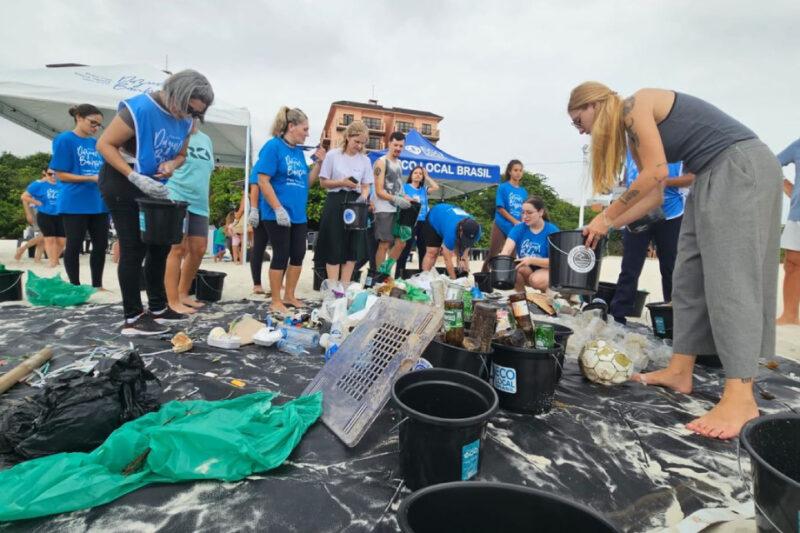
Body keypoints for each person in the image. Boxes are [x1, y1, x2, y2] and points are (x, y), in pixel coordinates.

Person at [569, 82, 782, 439]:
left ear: (593, 104)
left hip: (740, 166)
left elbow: (657, 173)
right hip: (709, 175)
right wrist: (606, 226)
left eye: (579, 120)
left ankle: (741, 395)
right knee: (688, 276)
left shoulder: (637, 104)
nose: (580, 130)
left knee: (731, 279)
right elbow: (653, 195)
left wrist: (606, 217)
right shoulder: (632, 135)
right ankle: (680, 369)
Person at [97, 69, 214, 336]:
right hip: (121, 179)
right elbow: (104, 144)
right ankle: (133, 316)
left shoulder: (186, 121)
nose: (189, 116)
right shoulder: (139, 108)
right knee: (133, 247)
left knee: (160, 245)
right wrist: (133, 175)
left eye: (196, 113)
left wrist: (172, 163)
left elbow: (182, 154)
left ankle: (159, 307)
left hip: (154, 185)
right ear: (176, 94)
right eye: (188, 108)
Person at [252, 107, 325, 314]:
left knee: (299, 254)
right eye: (305, 128)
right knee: (281, 254)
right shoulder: (273, 147)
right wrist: (277, 208)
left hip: (298, 214)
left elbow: (306, 183)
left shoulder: (298, 153)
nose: (307, 133)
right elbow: (262, 180)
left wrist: (318, 165)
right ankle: (275, 299)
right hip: (276, 213)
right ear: (291, 127)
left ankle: (289, 295)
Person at [608, 152, 694, 323]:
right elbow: (628, 180)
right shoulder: (631, 146)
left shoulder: (677, 145)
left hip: (671, 214)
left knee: (671, 267)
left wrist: (660, 181)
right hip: (637, 212)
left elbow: (692, 178)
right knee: (630, 266)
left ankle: (675, 318)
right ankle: (618, 315)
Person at [50, 104, 109, 288]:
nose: (96, 128)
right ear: (79, 118)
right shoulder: (65, 139)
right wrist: (90, 177)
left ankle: (97, 285)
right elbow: (60, 174)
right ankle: (74, 285)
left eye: (99, 125)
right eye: (93, 123)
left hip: (98, 202)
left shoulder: (95, 144)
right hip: (74, 201)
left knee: (101, 245)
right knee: (74, 244)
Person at [314, 120, 372, 287]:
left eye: (363, 143)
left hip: (356, 204)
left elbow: (366, 186)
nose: (359, 146)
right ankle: (333, 288)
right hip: (336, 201)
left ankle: (345, 288)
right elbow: (323, 183)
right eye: (357, 142)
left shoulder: (365, 161)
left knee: (352, 247)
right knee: (334, 244)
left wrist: (364, 198)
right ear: (348, 137)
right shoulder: (333, 155)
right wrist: (343, 182)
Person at [164, 122, 215, 314]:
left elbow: (206, 171)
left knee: (199, 248)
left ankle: (183, 293)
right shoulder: (174, 134)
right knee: (177, 248)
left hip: (200, 201)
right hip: (176, 193)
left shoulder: (206, 139)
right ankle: (172, 300)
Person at [372, 131, 414, 274]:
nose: (398, 148)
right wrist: (396, 199)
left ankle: (386, 271)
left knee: (401, 243)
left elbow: (398, 186)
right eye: (395, 145)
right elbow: (378, 190)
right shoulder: (381, 162)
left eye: (401, 146)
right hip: (383, 208)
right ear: (389, 143)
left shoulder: (400, 163)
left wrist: (405, 197)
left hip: (398, 209)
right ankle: (380, 276)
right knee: (384, 244)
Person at [499, 196, 559, 292]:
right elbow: (506, 251)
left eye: (529, 212)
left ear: (541, 212)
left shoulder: (552, 231)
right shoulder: (519, 228)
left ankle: (552, 297)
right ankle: (521, 301)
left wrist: (532, 260)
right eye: (523, 212)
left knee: (536, 280)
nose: (525, 216)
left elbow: (557, 261)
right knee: (515, 269)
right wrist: (500, 264)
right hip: (528, 269)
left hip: (547, 270)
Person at [482, 160, 527, 272]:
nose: (518, 173)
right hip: (501, 224)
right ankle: (483, 278)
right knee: (493, 253)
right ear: (510, 172)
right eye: (515, 170)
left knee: (511, 256)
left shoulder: (523, 192)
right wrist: (514, 221)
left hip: (515, 228)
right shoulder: (503, 187)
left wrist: (521, 223)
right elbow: (500, 208)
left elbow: (525, 211)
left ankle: (508, 281)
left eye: (520, 170)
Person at [395, 166, 439, 278]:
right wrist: (406, 197)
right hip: (409, 221)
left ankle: (422, 276)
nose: (418, 175)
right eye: (415, 173)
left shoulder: (424, 189)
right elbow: (398, 196)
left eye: (420, 173)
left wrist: (428, 176)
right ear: (411, 175)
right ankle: (399, 275)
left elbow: (436, 187)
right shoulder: (405, 187)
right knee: (406, 248)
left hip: (423, 222)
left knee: (423, 249)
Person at [421, 203, 482, 279]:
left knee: (463, 256)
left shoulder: (477, 231)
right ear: (460, 230)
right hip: (435, 216)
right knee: (433, 251)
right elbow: (447, 259)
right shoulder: (451, 232)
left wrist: (462, 259)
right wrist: (454, 280)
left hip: (448, 218)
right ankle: (424, 278)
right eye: (464, 238)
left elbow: (465, 250)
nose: (466, 241)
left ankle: (463, 277)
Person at [776, 138, 800, 325]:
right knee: (792, 264)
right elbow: (772, 163)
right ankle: (790, 316)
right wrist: (789, 188)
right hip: (797, 214)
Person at [21, 168, 65, 267]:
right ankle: (52, 261)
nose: (53, 176)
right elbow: (24, 196)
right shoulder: (38, 184)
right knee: (50, 239)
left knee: (62, 241)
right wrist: (36, 202)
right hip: (44, 215)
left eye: (55, 174)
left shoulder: (62, 184)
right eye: (50, 174)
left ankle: (55, 259)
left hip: (60, 215)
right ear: (45, 173)